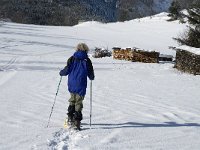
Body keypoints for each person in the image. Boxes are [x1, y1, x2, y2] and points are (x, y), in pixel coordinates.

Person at [59, 43, 95, 130]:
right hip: (81, 83)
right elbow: (90, 73)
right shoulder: (87, 60)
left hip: (72, 83)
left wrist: (61, 73)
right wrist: (92, 77)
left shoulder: (72, 58)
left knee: (72, 99)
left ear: (77, 49)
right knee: (79, 101)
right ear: (86, 50)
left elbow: (67, 69)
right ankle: (77, 122)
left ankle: (70, 118)